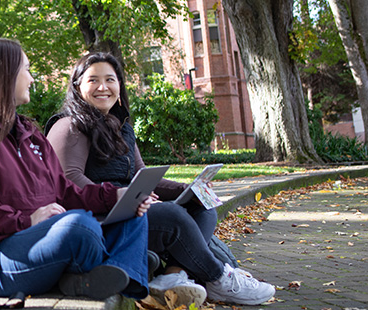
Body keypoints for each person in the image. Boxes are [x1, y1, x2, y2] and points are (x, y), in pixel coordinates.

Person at [0, 37, 154, 301]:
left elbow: (64, 191)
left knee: (133, 214)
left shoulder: (29, 132)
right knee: (79, 228)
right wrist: (27, 220)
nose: (31, 79)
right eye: (26, 69)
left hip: (39, 242)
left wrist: (114, 197)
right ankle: (123, 266)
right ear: (4, 73)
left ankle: (105, 274)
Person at [45, 52, 275, 306]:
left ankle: (172, 276)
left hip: (130, 210)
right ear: (77, 87)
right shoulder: (69, 125)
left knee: (202, 206)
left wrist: (188, 189)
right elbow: (69, 180)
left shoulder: (120, 127)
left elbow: (141, 176)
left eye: (110, 79)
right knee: (171, 216)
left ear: (120, 86)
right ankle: (219, 278)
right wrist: (122, 200)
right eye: (93, 80)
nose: (103, 87)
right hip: (101, 220)